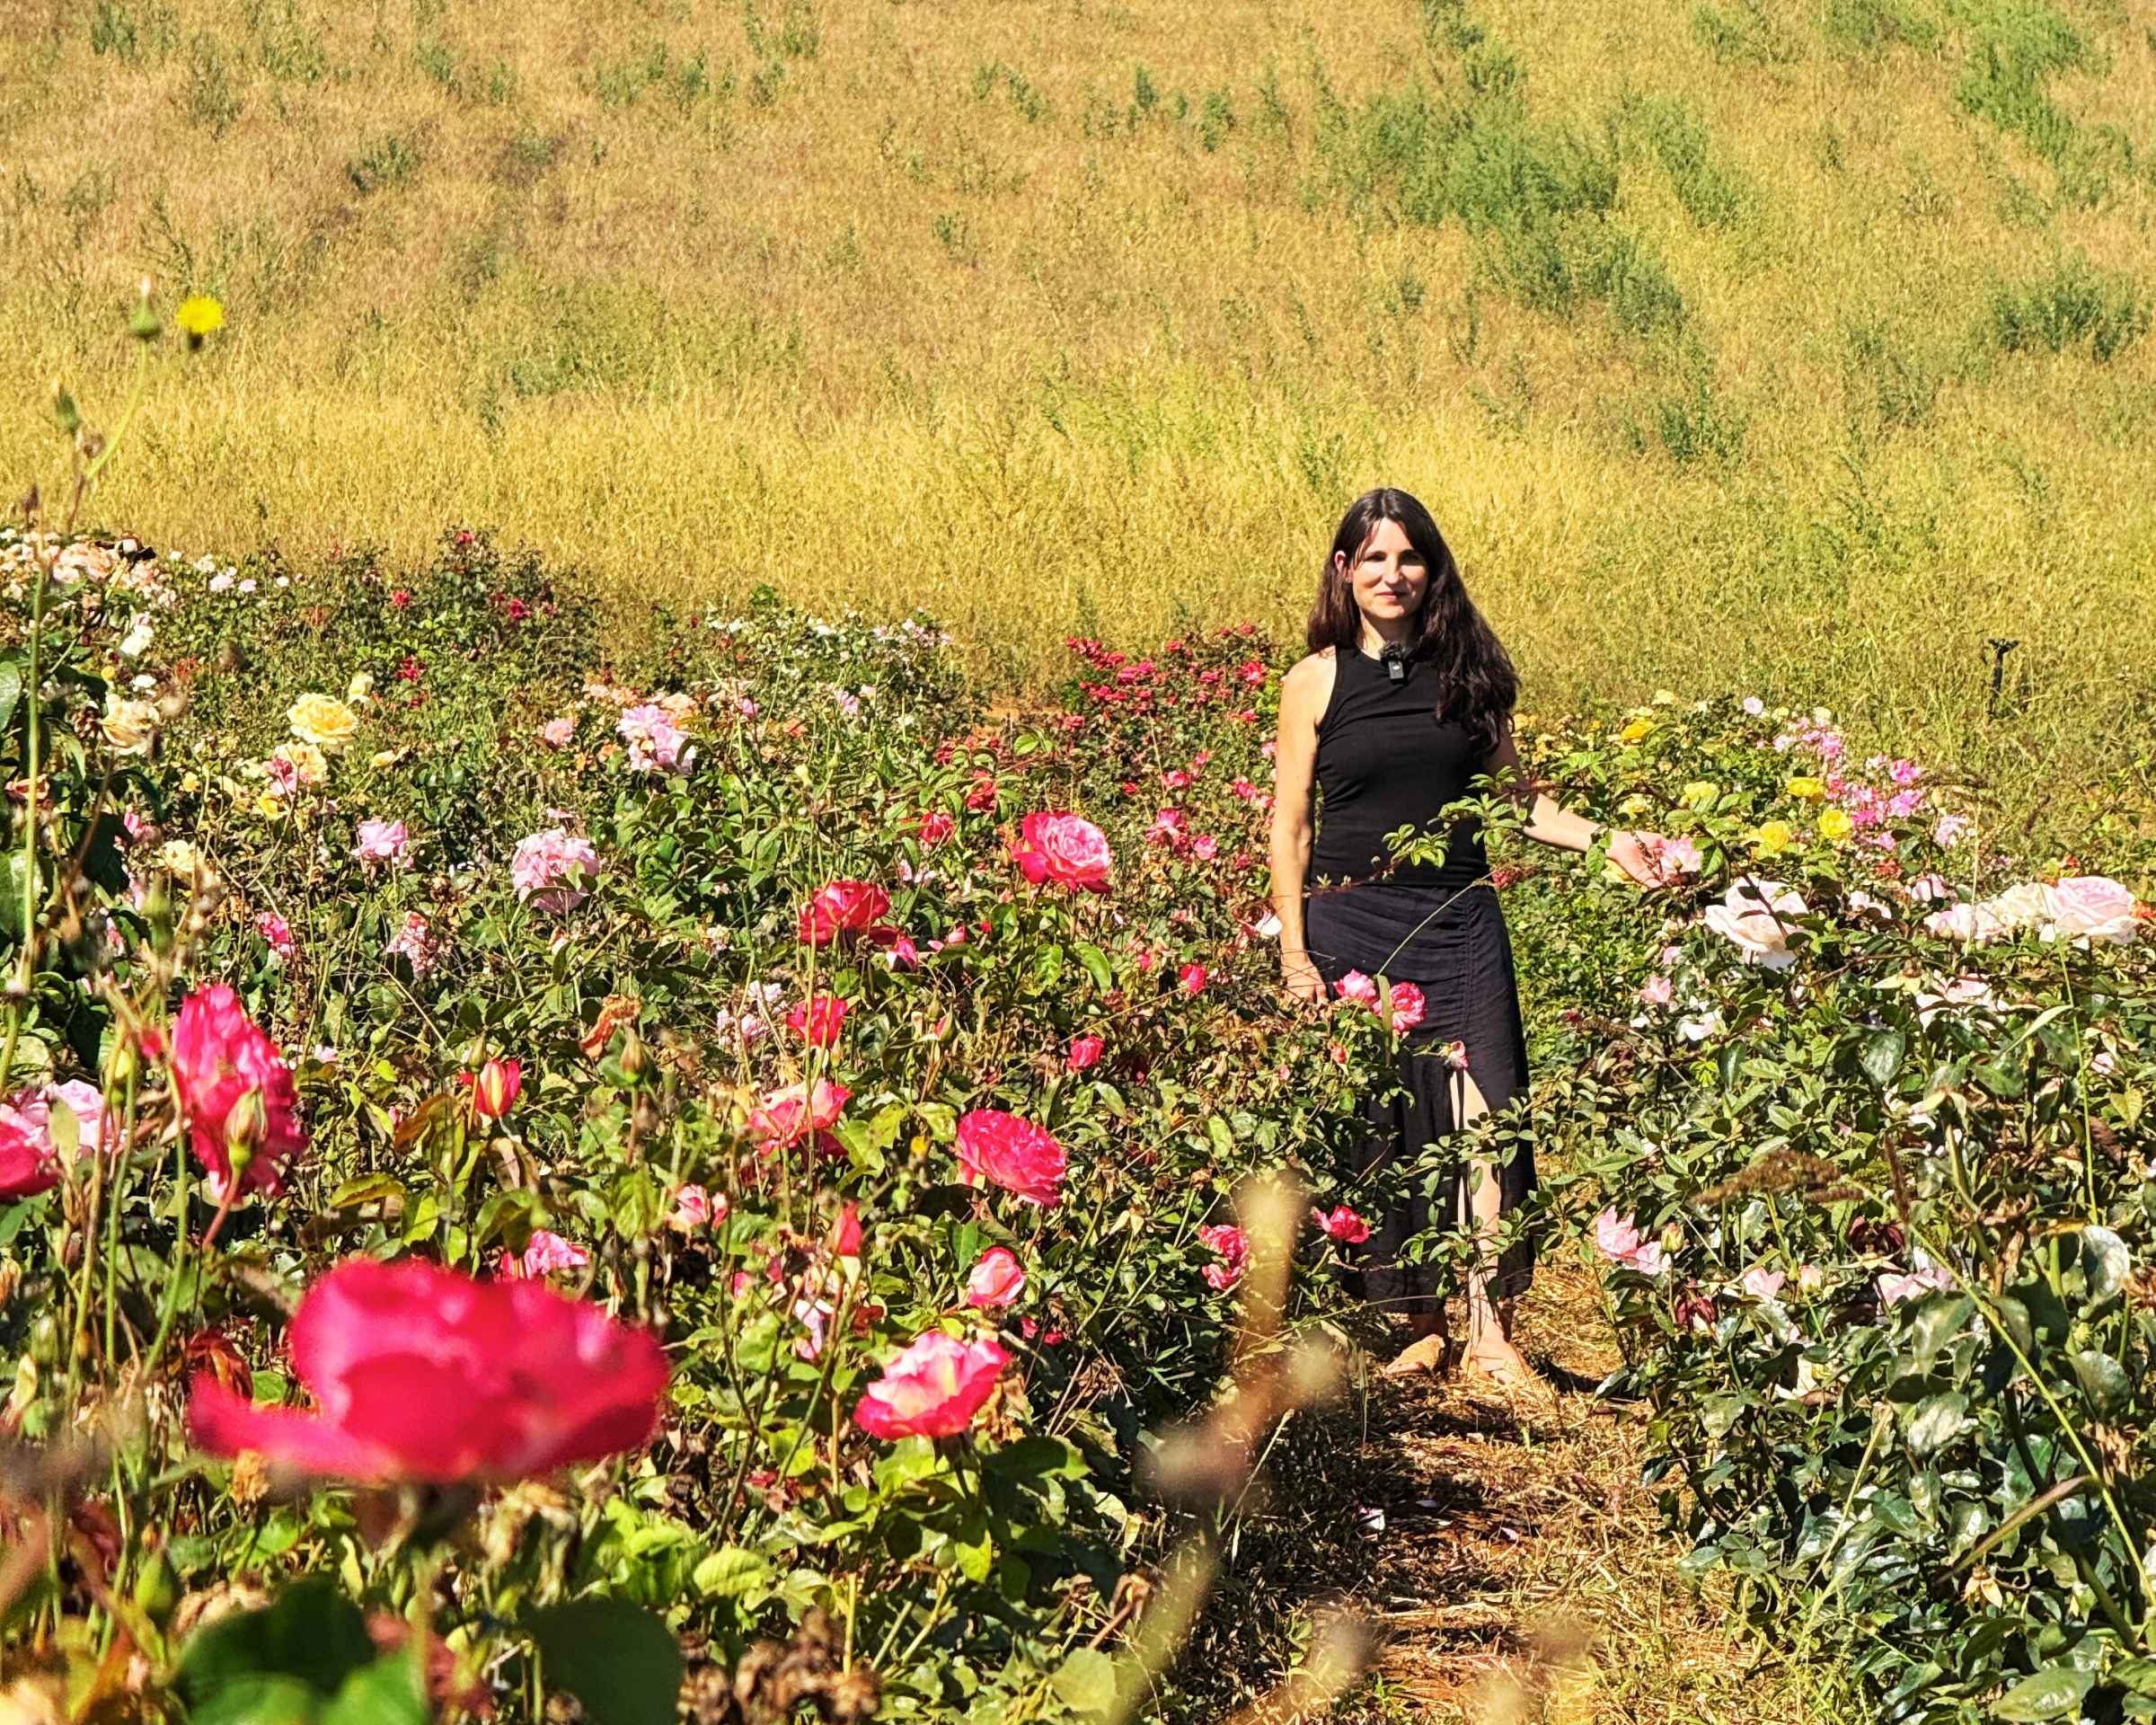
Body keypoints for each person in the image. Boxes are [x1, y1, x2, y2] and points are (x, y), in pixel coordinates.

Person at [1267, 488, 1675, 1387]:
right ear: (1344, 571)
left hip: (1458, 916)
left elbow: (1516, 801)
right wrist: (1295, 953)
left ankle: (1491, 1332)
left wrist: (1610, 843)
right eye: (1372, 558)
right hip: (1351, 925)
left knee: (1487, 1114)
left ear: (1431, 568)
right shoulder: (1316, 681)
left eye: (1408, 557)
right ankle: (1419, 1325)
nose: (1392, 575)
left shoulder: (1470, 674)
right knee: (1392, 1127)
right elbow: (1290, 825)